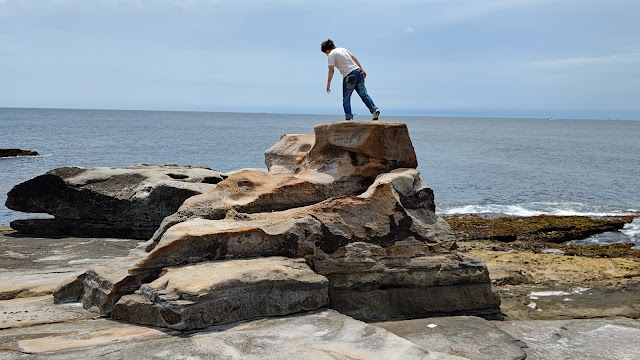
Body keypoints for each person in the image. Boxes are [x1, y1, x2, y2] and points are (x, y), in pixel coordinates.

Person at [321, 39, 380, 121]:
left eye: (326, 53)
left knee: (346, 98)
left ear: (327, 50)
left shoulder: (331, 54)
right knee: (364, 94)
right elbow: (354, 59)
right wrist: (362, 70)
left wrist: (328, 84)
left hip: (349, 76)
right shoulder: (343, 49)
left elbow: (331, 70)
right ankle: (374, 110)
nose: (327, 54)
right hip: (358, 72)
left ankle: (349, 119)